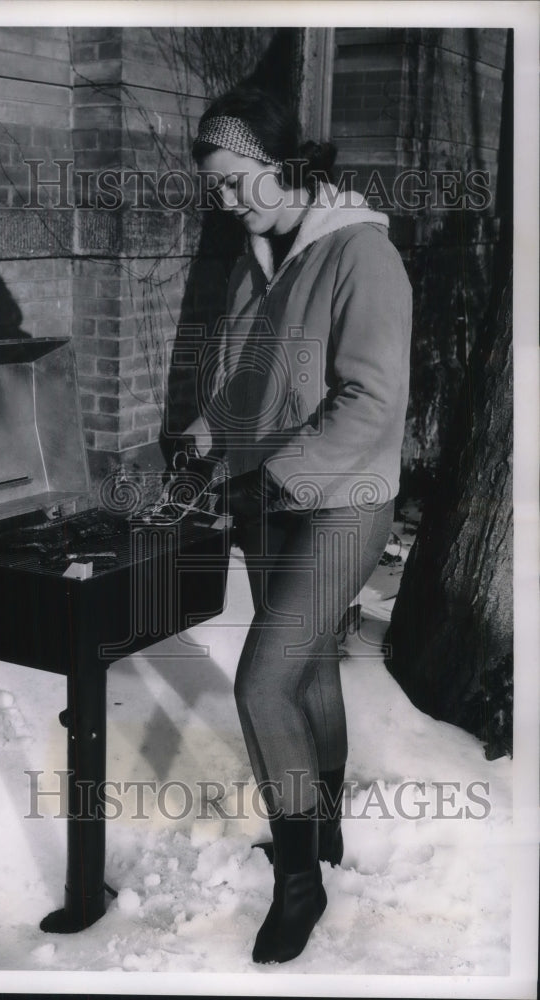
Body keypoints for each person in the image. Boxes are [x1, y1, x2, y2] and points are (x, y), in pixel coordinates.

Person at [179, 85, 412, 964]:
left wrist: (275, 479)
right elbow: (255, 384)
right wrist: (203, 436)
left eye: (240, 183)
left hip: (339, 504)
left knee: (260, 684)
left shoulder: (360, 255)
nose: (229, 202)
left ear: (286, 165)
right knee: (308, 669)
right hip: (272, 498)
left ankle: (299, 885)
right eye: (219, 188)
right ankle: (324, 832)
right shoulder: (267, 257)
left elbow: (370, 402)